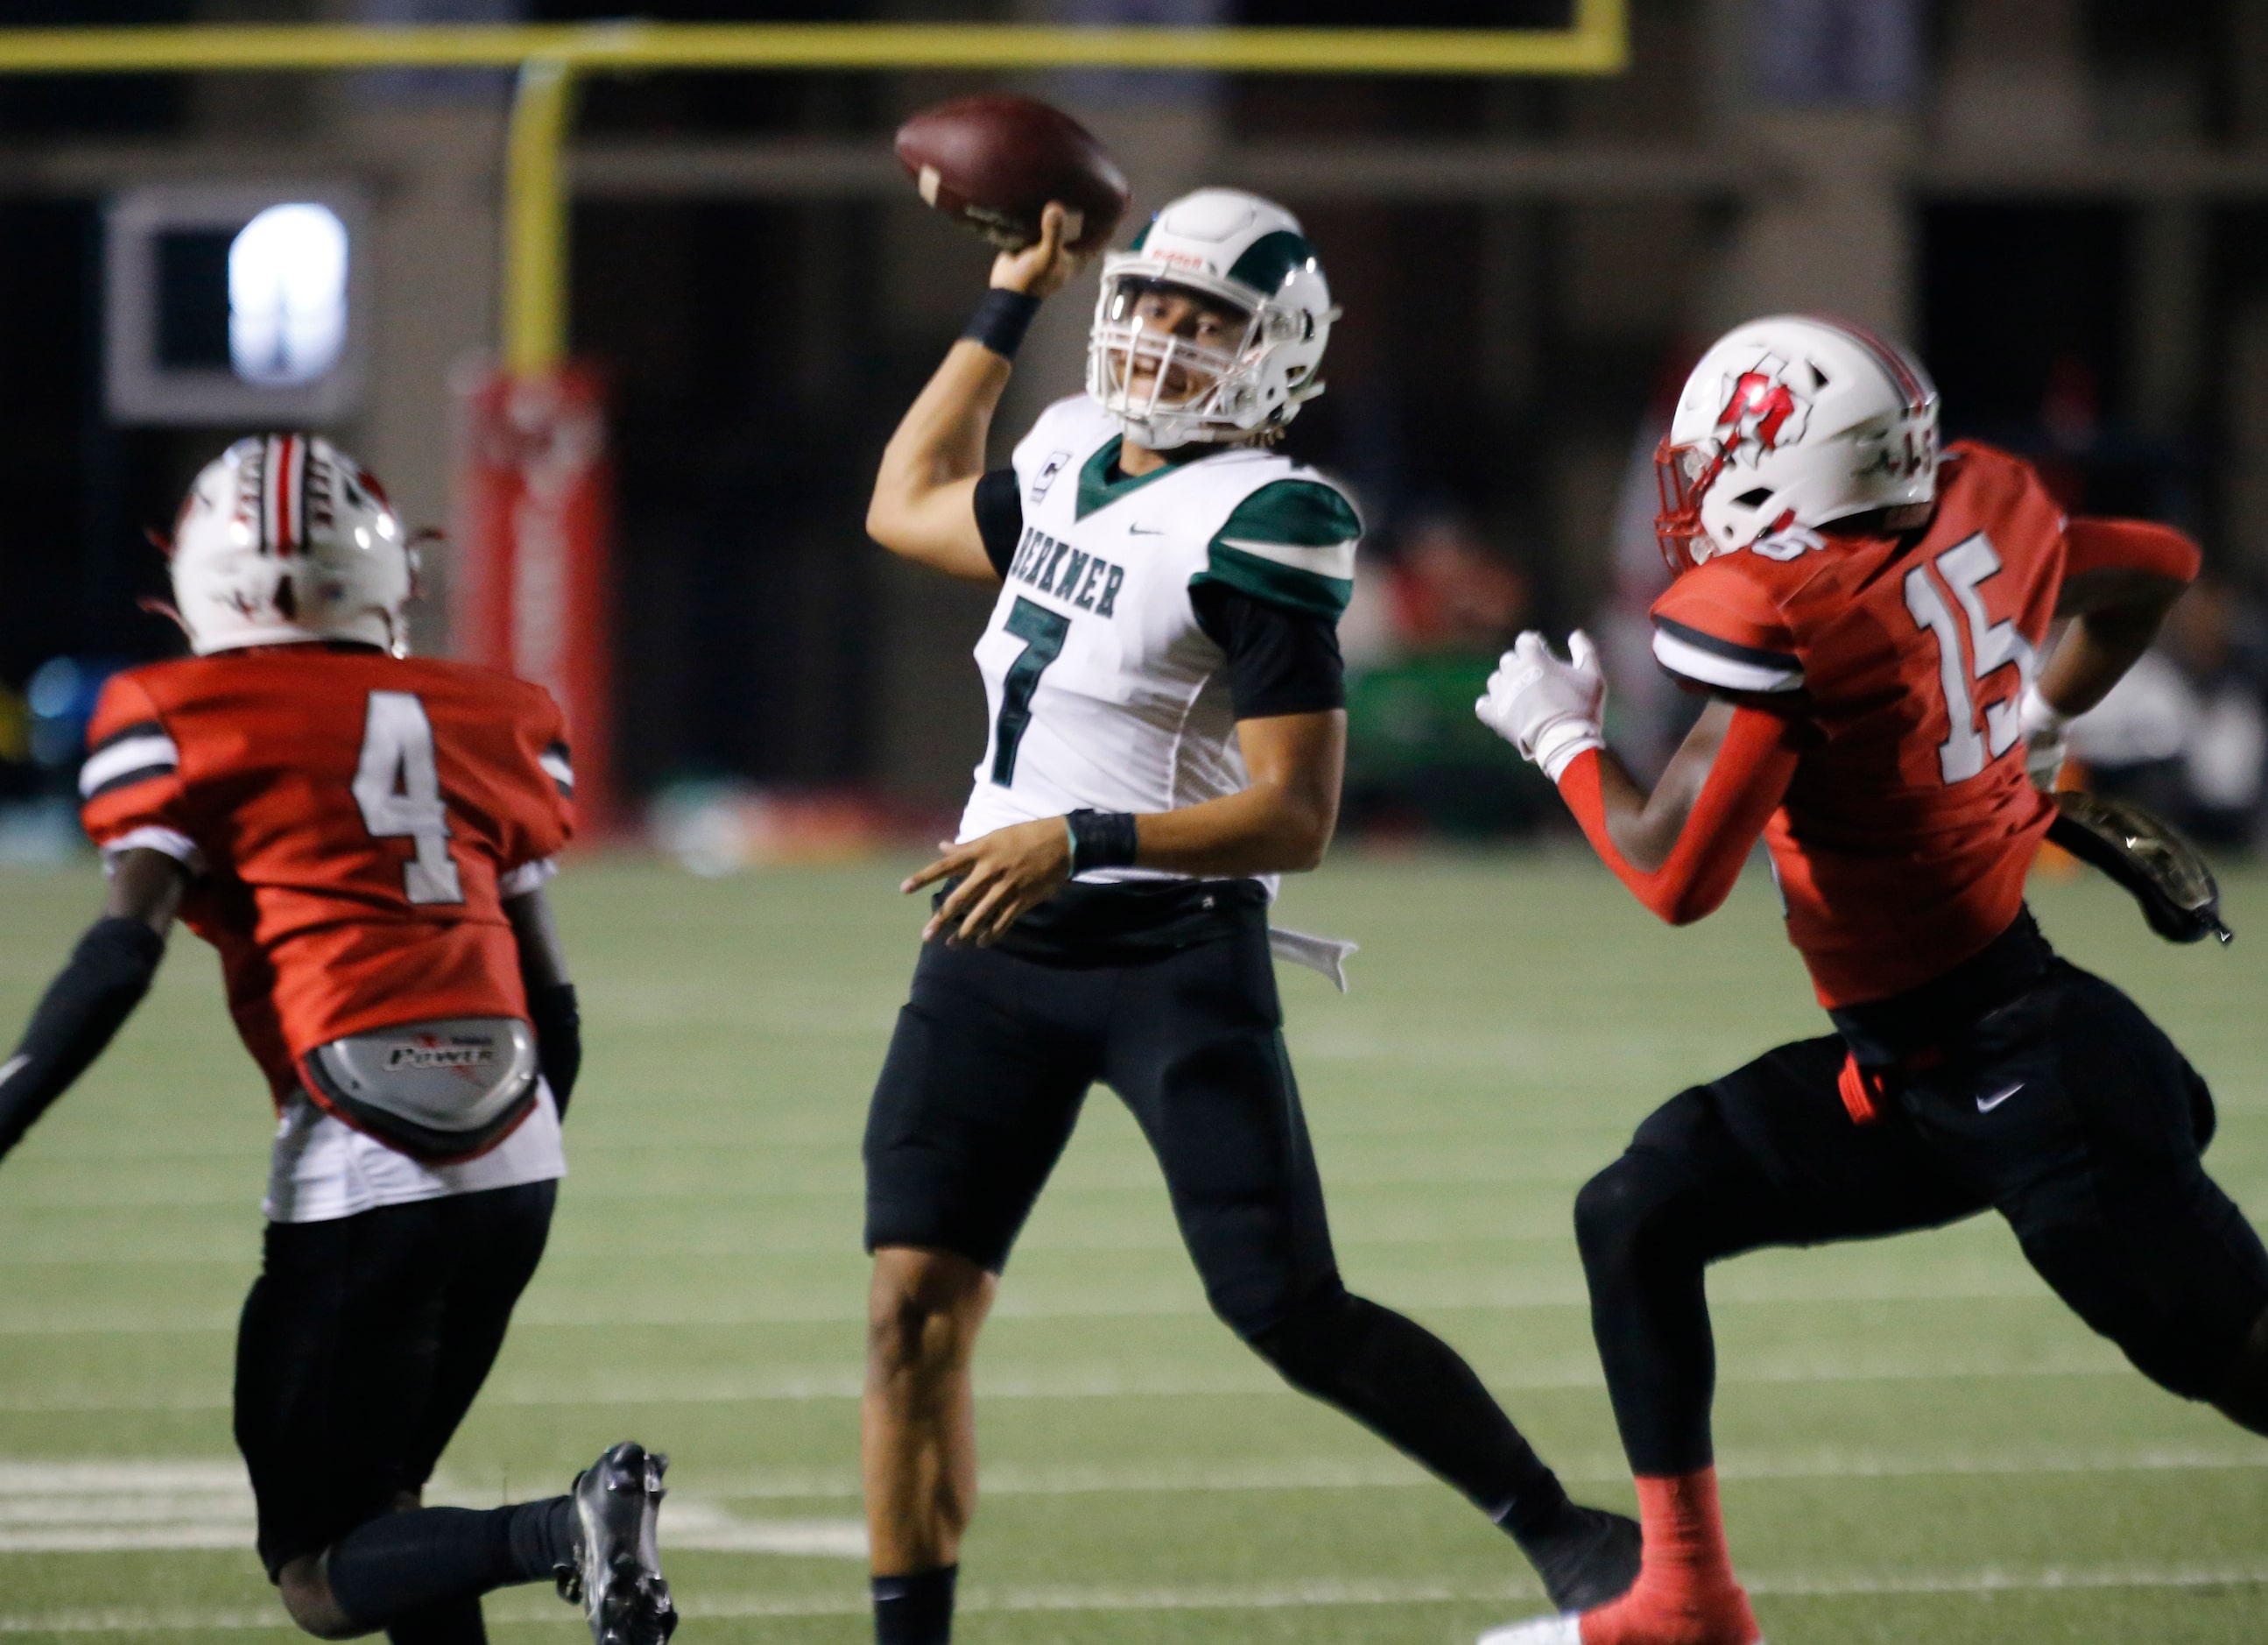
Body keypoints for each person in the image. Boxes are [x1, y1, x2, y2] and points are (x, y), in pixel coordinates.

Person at [856, 187, 1642, 1645]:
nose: (1161, 335)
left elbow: (1298, 816)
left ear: (1274, 350)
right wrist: (1009, 299)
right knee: (910, 1315)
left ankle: (1562, 1526)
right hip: (991, 932)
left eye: (1205, 318)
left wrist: (1079, 835)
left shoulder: (1270, 516)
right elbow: (902, 501)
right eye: (1149, 302)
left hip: (1169, 948)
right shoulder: (1068, 446)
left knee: (1284, 1306)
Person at [1470, 314, 2268, 1645]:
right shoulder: (1978, 511)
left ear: (1783, 470)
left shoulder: (1799, 607)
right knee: (1638, 1208)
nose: (1689, 491)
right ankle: (1681, 1602)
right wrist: (2041, 722)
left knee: (2234, 1362)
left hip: (2036, 1081)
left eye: (1715, 458)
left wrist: (1559, 736)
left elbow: (1672, 874)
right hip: (1908, 1069)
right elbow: (2155, 571)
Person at [0, 436, 676, 1645]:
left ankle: (562, 1526)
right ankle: (558, 1528)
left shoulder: (174, 708)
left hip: (358, 1152)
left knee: (317, 1569)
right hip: (514, 1150)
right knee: (392, 1516)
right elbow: (552, 1007)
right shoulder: (491, 712)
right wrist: (505, 1160)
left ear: (204, 578)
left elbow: (117, 957)